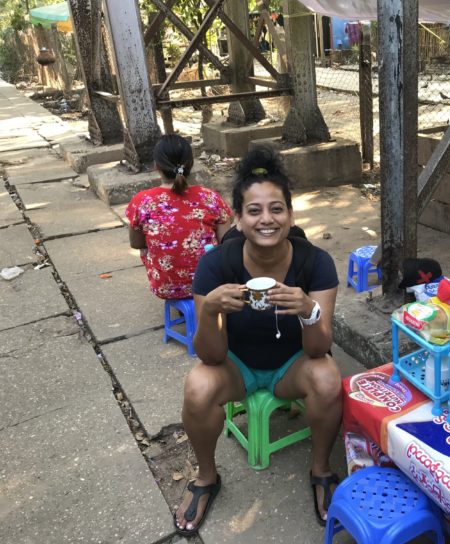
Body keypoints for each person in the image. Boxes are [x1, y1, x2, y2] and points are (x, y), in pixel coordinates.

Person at [173, 144, 341, 535]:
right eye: (254, 210)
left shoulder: (315, 263)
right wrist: (210, 310)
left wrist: (307, 310)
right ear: (238, 218)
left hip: (291, 367)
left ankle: (321, 469)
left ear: (291, 214)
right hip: (237, 367)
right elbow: (210, 357)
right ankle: (206, 478)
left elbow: (318, 349)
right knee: (198, 384)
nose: (267, 219)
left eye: (276, 208)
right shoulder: (216, 264)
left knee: (329, 377)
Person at [126, 134, 231, 299]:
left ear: (156, 166)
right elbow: (226, 241)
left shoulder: (142, 201)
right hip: (212, 283)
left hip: (166, 288)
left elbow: (136, 243)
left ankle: (176, 284)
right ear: (191, 164)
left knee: (145, 247)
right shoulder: (210, 197)